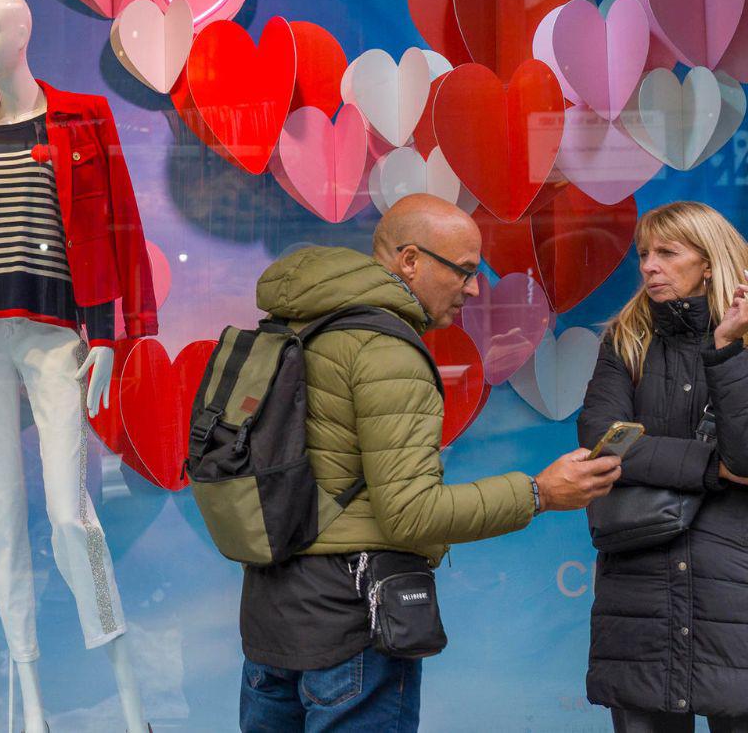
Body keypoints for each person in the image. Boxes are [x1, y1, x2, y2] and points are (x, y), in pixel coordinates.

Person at [238, 193, 623, 733]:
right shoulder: (385, 349)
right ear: (410, 260)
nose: (473, 287)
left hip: (268, 618)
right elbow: (410, 514)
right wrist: (540, 492)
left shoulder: (292, 327)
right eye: (463, 271)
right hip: (352, 621)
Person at [578, 201, 748, 733]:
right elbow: (604, 443)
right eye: (644, 254)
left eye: (668, 253)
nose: (649, 265)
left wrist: (725, 351)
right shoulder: (625, 338)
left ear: (710, 262)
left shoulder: (741, 342)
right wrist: (713, 469)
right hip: (640, 584)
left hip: (733, 581)